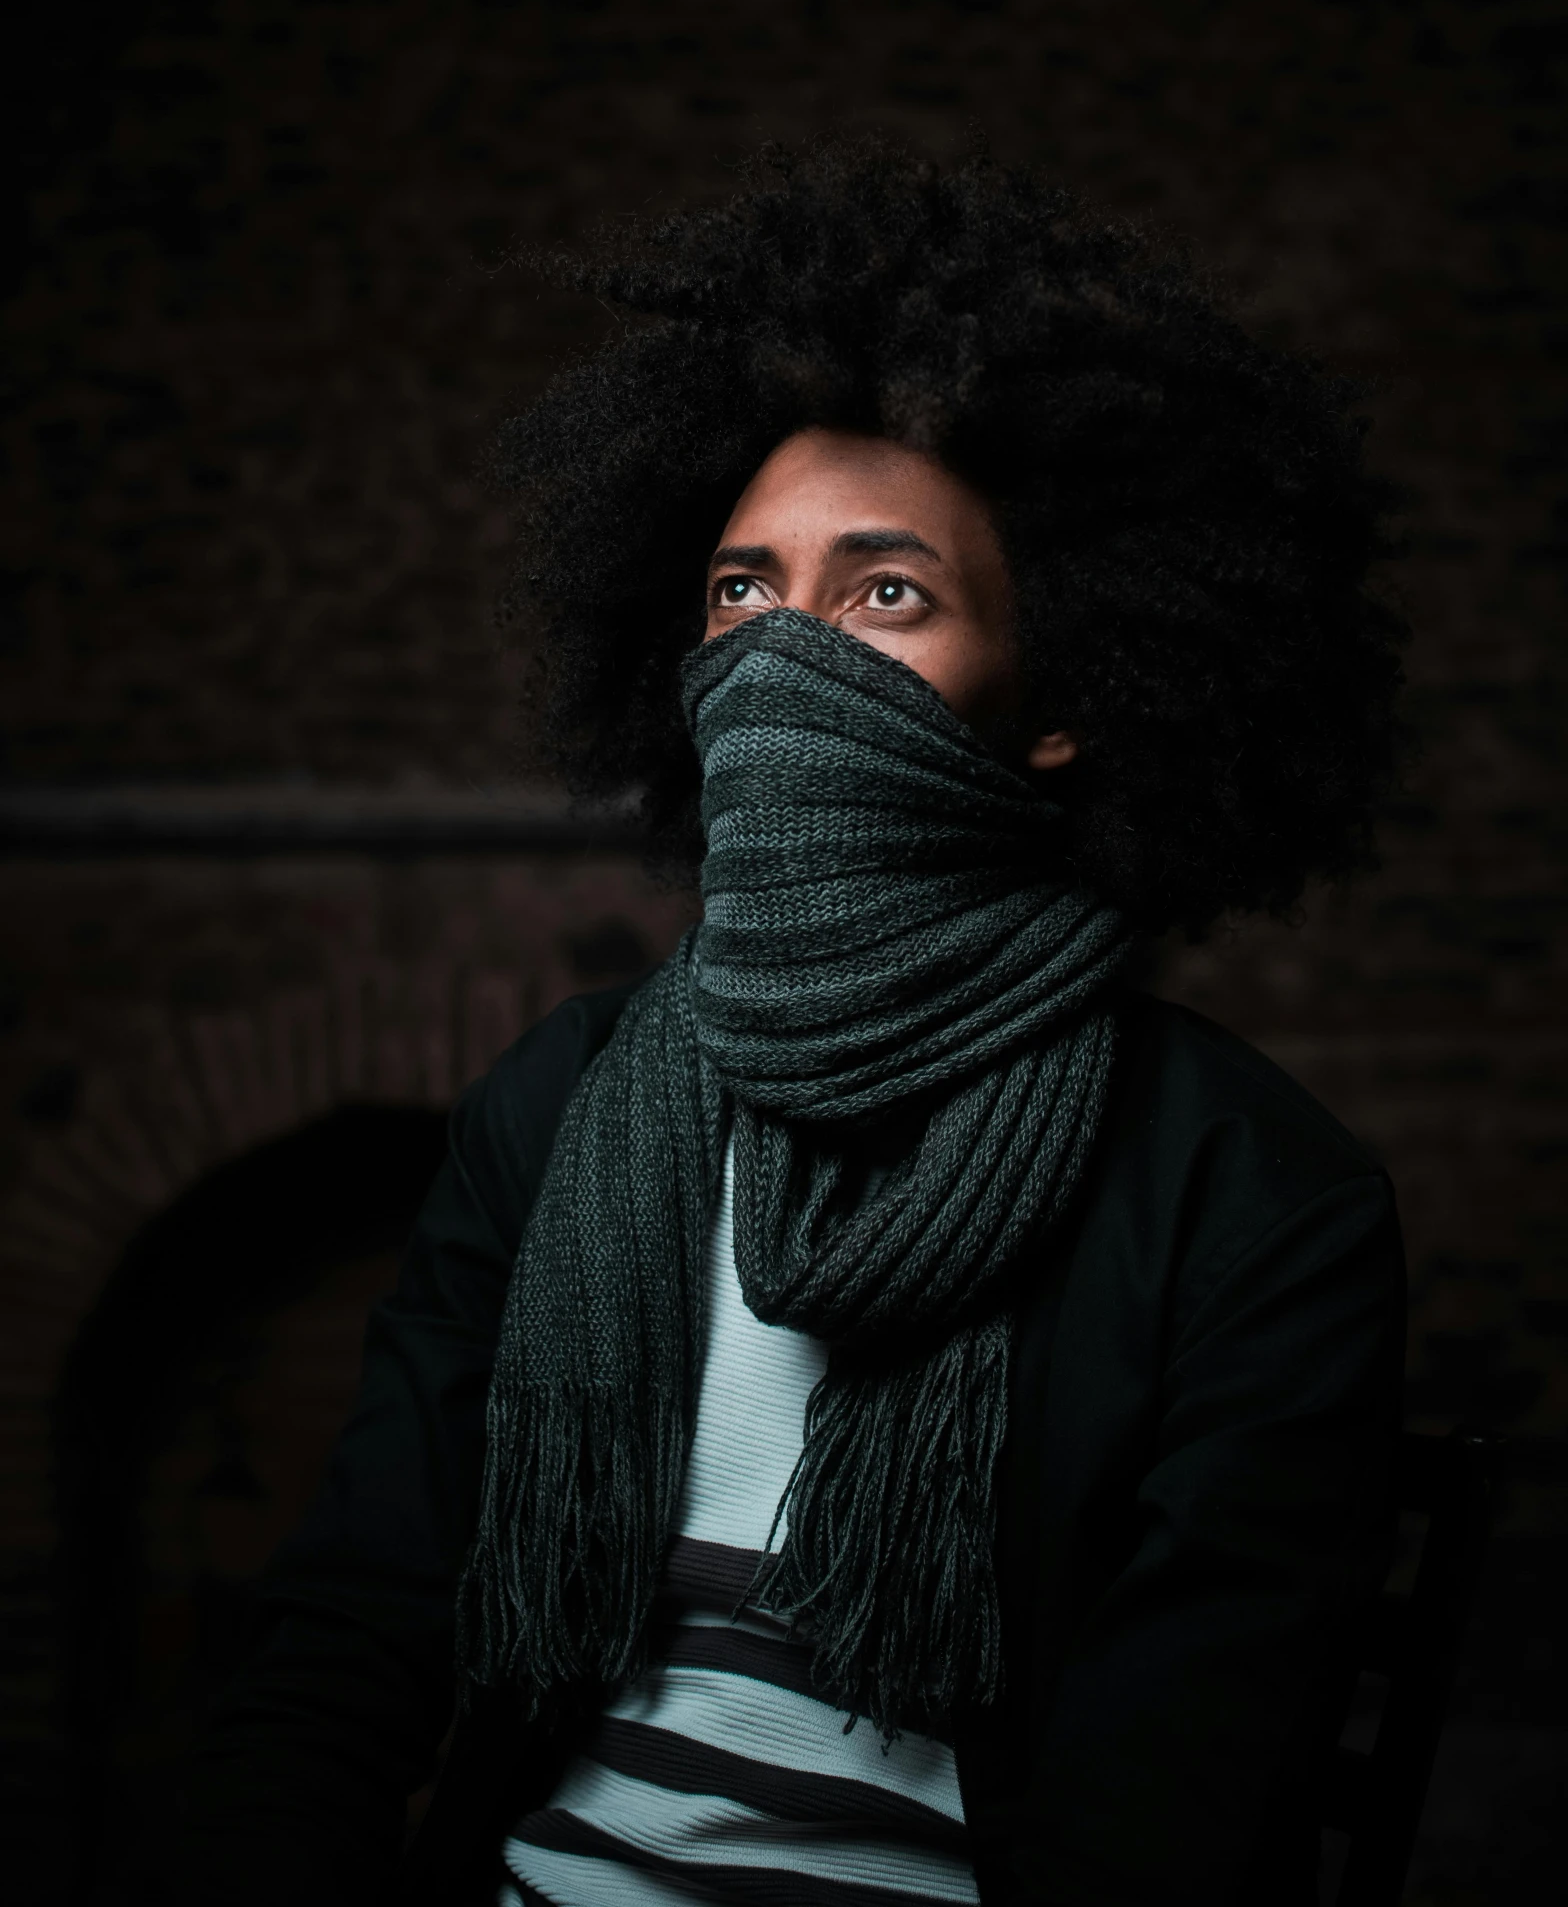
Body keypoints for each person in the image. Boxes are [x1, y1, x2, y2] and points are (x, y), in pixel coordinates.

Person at [178, 137, 1408, 1906]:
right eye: (742, 591)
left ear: (1062, 700)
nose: (777, 657)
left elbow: (1180, 1812)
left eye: (884, 595)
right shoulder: (561, 1101)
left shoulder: (1251, 1195)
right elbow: (352, 1635)